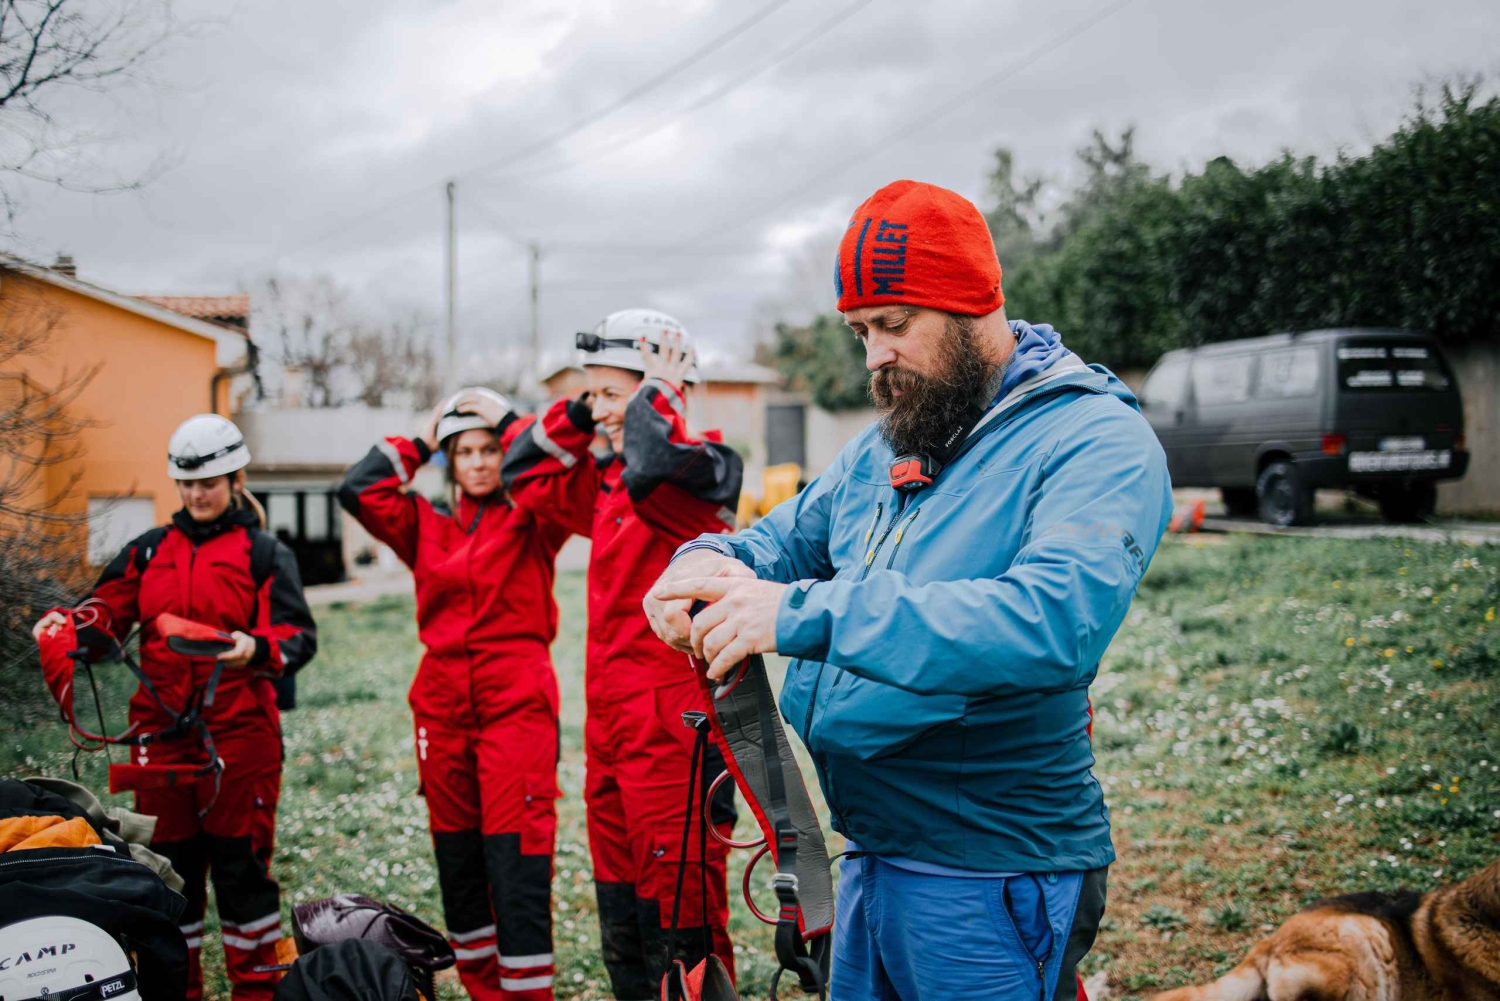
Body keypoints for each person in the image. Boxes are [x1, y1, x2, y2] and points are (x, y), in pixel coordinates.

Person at [644, 180, 1175, 1001]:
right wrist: (699, 564)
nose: (874, 356)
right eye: (860, 331)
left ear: (973, 307)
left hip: (992, 866)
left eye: (895, 325)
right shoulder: (896, 437)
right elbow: (778, 540)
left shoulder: (1094, 438)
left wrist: (795, 613)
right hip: (872, 852)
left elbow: (1051, 621)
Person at [32, 413, 317, 1001]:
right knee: (168, 874)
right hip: (160, 738)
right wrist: (68, 629)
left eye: (208, 482)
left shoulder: (264, 553)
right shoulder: (148, 551)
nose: (196, 493)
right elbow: (104, 617)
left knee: (244, 876)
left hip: (240, 738)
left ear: (235, 478)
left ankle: (258, 993)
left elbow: (298, 636)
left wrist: (254, 647)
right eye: (186, 483)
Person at [500, 311, 743, 999]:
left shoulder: (699, 470)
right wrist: (583, 410)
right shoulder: (607, 484)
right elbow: (524, 473)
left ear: (664, 388)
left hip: (676, 739)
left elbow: (656, 457)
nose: (599, 410)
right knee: (624, 927)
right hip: (611, 735)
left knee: (685, 931)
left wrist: (656, 392)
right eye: (594, 395)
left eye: (612, 393)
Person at [337, 389, 567, 1001]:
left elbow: (559, 468)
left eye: (490, 448)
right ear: (448, 460)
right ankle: (484, 988)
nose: (481, 461)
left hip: (516, 701)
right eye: (464, 450)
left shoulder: (534, 518)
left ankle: (526, 994)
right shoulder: (422, 524)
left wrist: (509, 419)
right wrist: (423, 431)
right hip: (440, 707)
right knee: (459, 858)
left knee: (516, 855)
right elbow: (357, 489)